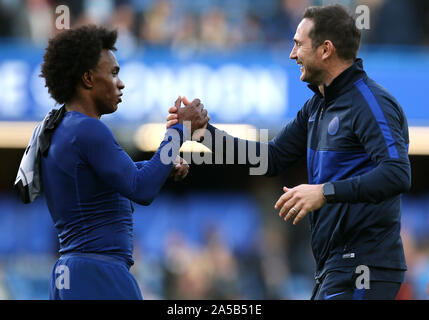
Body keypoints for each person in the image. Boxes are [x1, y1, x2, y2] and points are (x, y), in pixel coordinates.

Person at [167, 4, 411, 300]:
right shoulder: (316, 106)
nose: (292, 54)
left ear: (325, 49)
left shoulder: (371, 104)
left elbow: (397, 174)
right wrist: (202, 134)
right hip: (335, 267)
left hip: (365, 268)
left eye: (298, 44)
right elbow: (270, 159)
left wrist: (324, 192)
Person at [37, 25, 208, 299]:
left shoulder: (60, 129)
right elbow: (141, 189)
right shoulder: (89, 130)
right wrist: (178, 132)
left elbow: (115, 178)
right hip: (100, 275)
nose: (121, 83)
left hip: (68, 275)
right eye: (114, 73)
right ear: (89, 78)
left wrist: (163, 167)